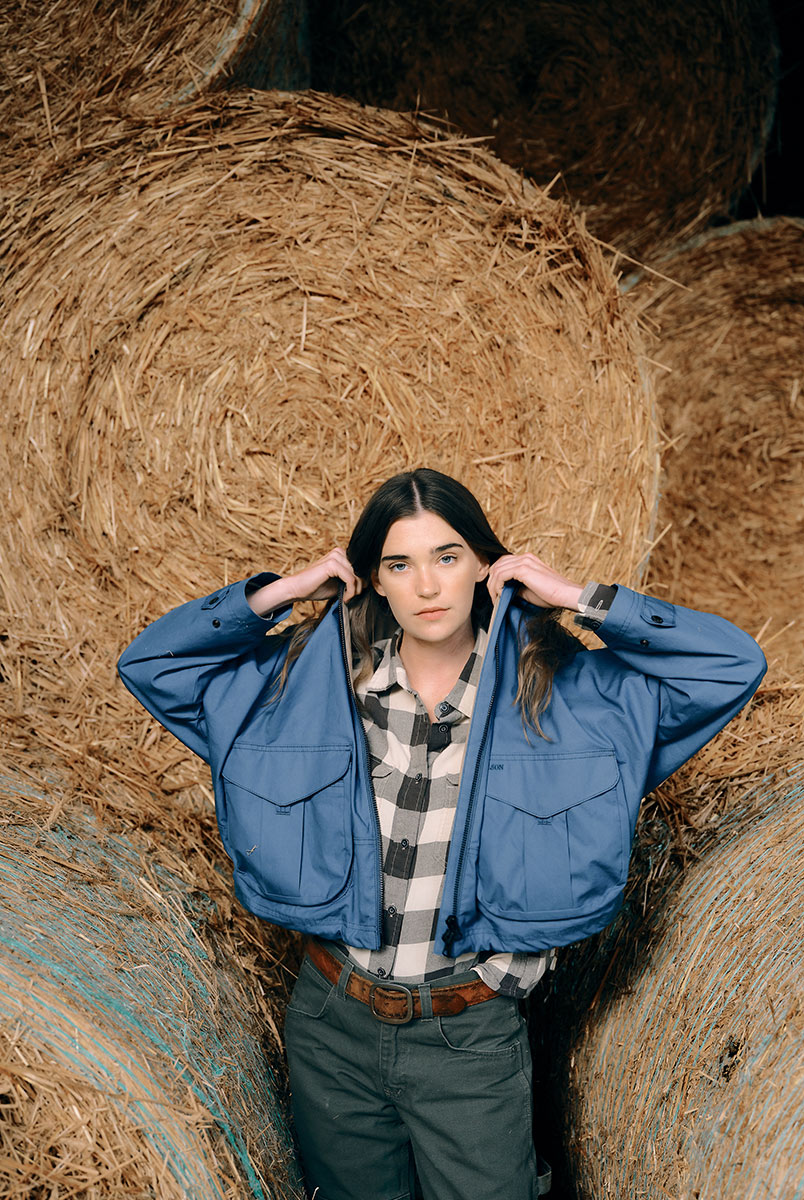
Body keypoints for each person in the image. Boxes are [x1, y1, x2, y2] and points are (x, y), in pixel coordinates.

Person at [118, 467, 766, 1199]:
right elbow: (151, 664)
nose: (427, 586)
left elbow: (732, 666)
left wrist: (576, 598)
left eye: (448, 557)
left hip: (469, 1033)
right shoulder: (309, 690)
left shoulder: (573, 699)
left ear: (486, 566)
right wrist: (280, 593)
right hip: (332, 1022)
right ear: (374, 580)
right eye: (400, 563)